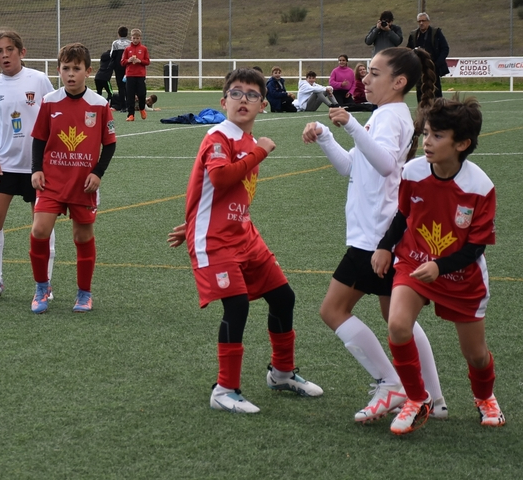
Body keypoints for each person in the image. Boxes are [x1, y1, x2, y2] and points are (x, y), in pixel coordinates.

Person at [302, 47, 446, 423]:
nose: (364, 79)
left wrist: (349, 124)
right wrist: (323, 137)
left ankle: (391, 381)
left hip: (375, 239)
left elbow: (383, 165)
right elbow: (352, 166)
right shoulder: (385, 115)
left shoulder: (388, 117)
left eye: (374, 73)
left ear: (398, 82)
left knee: (333, 310)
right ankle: (434, 397)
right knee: (396, 316)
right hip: (379, 233)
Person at [168, 68, 323, 413]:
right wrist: (261, 152)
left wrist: (191, 221)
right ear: (223, 102)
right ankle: (224, 390)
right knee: (236, 305)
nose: (243, 100)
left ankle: (282, 373)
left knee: (283, 298)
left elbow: (222, 193)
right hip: (216, 242)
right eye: (236, 93)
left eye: (252, 95)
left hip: (244, 236)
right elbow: (221, 178)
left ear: (263, 106)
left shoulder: (249, 142)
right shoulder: (218, 137)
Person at [373, 97, 503, 435]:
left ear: (462, 144)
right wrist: (385, 247)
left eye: (437, 136)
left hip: (462, 278)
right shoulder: (413, 171)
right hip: (414, 264)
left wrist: (440, 267)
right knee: (398, 325)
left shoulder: (480, 187)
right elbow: (403, 216)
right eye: (426, 133)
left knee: (475, 355)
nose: (427, 142)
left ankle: (485, 397)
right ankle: (417, 400)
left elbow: (476, 246)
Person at [29, 43, 116, 314]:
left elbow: (110, 144)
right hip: (52, 180)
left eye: (76, 69)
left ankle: (84, 293)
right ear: (59, 70)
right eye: (65, 68)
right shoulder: (50, 101)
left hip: (83, 184)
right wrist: (36, 169)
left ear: (88, 71)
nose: (70, 74)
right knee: (39, 229)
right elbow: (39, 139)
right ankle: (42, 287)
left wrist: (97, 173)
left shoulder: (100, 105)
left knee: (81, 236)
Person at [0, 28, 57, 298]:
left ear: (22, 52)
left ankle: (45, 284)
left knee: (41, 226)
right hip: (6, 165)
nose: (5, 55)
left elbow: (56, 115)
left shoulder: (39, 80)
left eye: (10, 50)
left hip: (38, 167)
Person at [407, 12, 450, 102]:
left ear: (428, 22)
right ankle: (422, 112)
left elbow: (445, 49)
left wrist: (437, 64)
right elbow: (409, 51)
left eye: (423, 21)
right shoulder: (413, 35)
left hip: (433, 68)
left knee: (436, 93)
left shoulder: (436, 33)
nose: (421, 23)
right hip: (420, 70)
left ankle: (438, 113)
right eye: (419, 21)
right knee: (420, 92)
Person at [121, 28, 151, 121]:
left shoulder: (144, 49)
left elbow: (147, 61)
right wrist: (128, 60)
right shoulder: (127, 49)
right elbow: (122, 62)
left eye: (137, 38)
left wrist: (140, 61)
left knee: (142, 94)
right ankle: (131, 115)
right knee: (130, 95)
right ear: (131, 38)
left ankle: (142, 108)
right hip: (130, 75)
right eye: (134, 38)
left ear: (140, 38)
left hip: (140, 75)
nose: (135, 40)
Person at [110, 26, 130, 99]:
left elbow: (112, 55)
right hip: (128, 66)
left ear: (118, 34)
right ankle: (129, 103)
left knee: (120, 85)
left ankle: (122, 106)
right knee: (128, 85)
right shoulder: (130, 43)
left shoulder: (115, 43)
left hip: (118, 67)